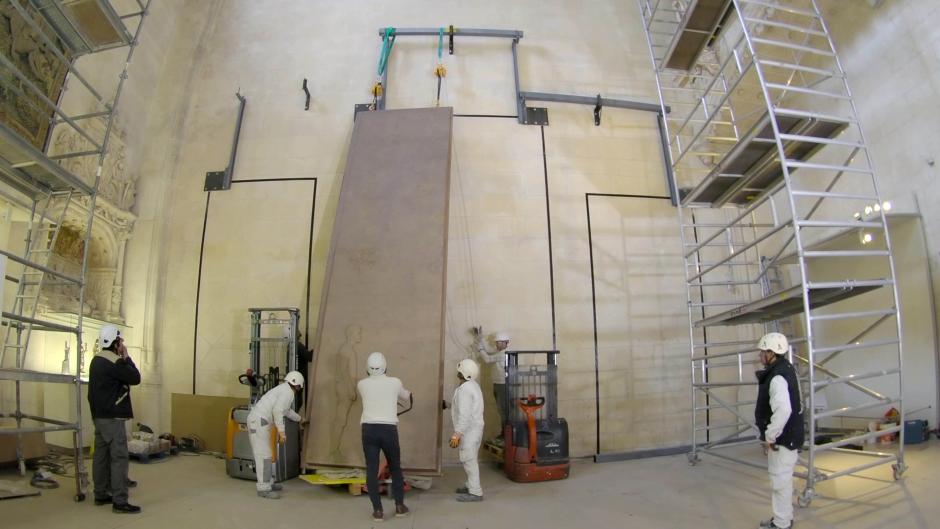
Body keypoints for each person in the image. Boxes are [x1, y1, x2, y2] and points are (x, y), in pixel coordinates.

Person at [88, 324, 141, 514]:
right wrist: (127, 358)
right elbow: (135, 378)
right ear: (115, 342)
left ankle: (100, 494)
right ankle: (120, 501)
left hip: (99, 416)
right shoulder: (115, 362)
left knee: (101, 456)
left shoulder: (96, 360)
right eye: (121, 342)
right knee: (119, 457)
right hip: (113, 417)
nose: (122, 345)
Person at [755, 332, 804, 529]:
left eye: (763, 352)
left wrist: (769, 436)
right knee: (783, 480)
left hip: (782, 439)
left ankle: (781, 523)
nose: (760, 355)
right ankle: (784, 518)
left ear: (772, 353)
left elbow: (784, 410)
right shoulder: (786, 369)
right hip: (789, 436)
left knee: (779, 482)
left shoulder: (777, 377)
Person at [357, 352, 412, 522]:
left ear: (368, 368)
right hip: (388, 430)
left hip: (369, 430)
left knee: (371, 469)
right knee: (395, 467)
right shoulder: (395, 382)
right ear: (385, 366)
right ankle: (400, 507)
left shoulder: (361, 384)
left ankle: (378, 511)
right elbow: (406, 396)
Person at [247, 371, 304, 499]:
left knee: (266, 455)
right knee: (264, 456)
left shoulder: (284, 389)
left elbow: (286, 411)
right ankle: (263, 489)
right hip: (259, 422)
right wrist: (281, 432)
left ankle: (268, 483)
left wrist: (300, 419)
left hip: (259, 421)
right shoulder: (287, 392)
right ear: (298, 385)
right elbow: (277, 411)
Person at [450, 358, 485, 502]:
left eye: (459, 370)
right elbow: (466, 407)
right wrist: (448, 405)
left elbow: (464, 415)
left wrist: (456, 435)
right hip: (475, 428)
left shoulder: (465, 390)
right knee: (471, 459)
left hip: (469, 431)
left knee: (469, 461)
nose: (457, 372)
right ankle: (471, 485)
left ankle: (476, 492)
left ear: (463, 373)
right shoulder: (473, 385)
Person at [476, 330, 510, 441]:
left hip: (502, 385)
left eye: (499, 342)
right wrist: (480, 339)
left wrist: (480, 349)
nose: (497, 344)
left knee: (503, 410)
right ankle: (505, 433)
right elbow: (489, 351)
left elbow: (487, 358)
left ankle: (506, 434)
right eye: (496, 342)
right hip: (498, 384)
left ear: (505, 342)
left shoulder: (504, 353)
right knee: (501, 409)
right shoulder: (499, 352)